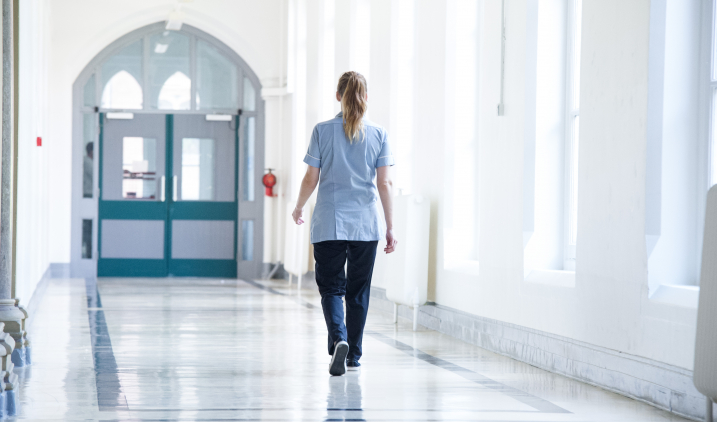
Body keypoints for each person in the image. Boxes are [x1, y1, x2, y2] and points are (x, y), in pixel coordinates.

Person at [292, 71, 397, 376]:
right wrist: (390, 227)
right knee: (358, 291)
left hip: (329, 223)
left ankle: (339, 339)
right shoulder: (379, 133)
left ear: (338, 96)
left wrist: (298, 207)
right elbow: (385, 183)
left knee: (331, 289)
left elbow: (311, 177)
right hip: (366, 224)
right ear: (365, 97)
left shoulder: (322, 131)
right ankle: (354, 356)